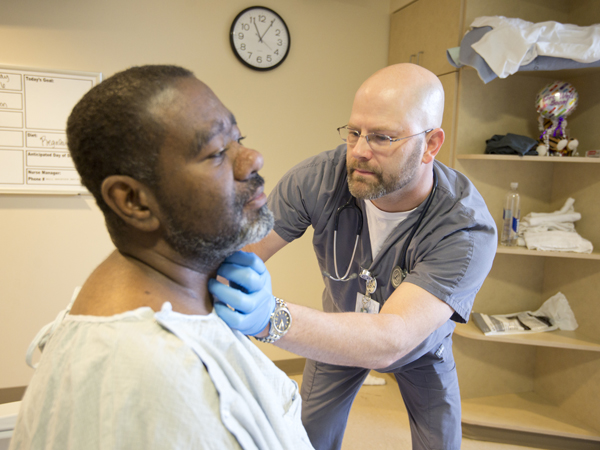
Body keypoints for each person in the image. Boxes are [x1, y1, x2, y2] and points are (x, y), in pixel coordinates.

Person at [10, 65, 313, 450]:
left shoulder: (163, 289)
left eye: (240, 138)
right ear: (133, 201)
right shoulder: (154, 379)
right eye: (219, 152)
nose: (253, 158)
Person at [208, 63, 497, 450]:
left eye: (382, 137)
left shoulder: (465, 228)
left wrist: (268, 317)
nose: (359, 151)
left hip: (419, 349)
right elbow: (240, 252)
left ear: (430, 144)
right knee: (306, 437)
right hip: (338, 332)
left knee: (440, 444)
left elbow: (392, 338)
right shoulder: (317, 180)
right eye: (354, 132)